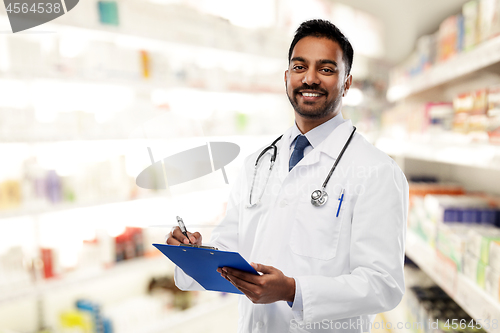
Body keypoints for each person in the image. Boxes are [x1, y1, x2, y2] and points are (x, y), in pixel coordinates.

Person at [166, 19, 408, 333]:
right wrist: (195, 254)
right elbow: (230, 247)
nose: (310, 78)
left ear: (347, 82)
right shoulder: (257, 163)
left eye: (326, 69)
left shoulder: (376, 171)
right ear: (286, 77)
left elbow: (383, 285)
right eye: (299, 67)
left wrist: (293, 291)